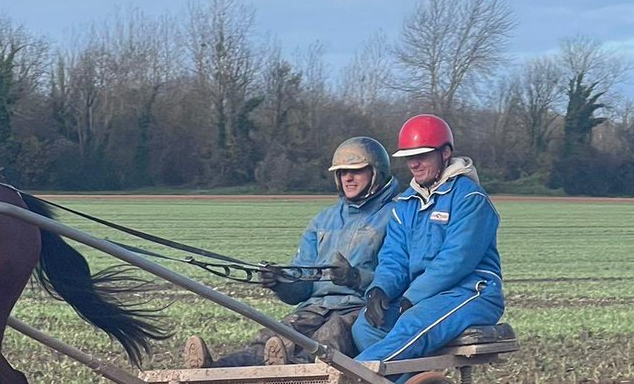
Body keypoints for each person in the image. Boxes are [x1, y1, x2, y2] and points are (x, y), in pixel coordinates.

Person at [185, 136, 400, 368]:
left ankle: (289, 369)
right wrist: (281, 281)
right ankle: (216, 368)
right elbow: (302, 279)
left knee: (331, 336)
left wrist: (356, 277)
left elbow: (399, 272)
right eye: (342, 172)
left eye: (356, 171)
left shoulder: (395, 216)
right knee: (276, 334)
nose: (347, 178)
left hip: (359, 309)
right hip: (316, 307)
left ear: (376, 172)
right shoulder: (323, 220)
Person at [352, 114, 504, 364]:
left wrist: (412, 297)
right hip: (422, 297)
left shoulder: (470, 199)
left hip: (472, 293)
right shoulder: (406, 203)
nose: (414, 164)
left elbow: (455, 261)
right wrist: (379, 290)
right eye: (409, 157)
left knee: (412, 323)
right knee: (366, 327)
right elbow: (394, 256)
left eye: (421, 156)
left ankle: (350, 379)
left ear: (445, 153)